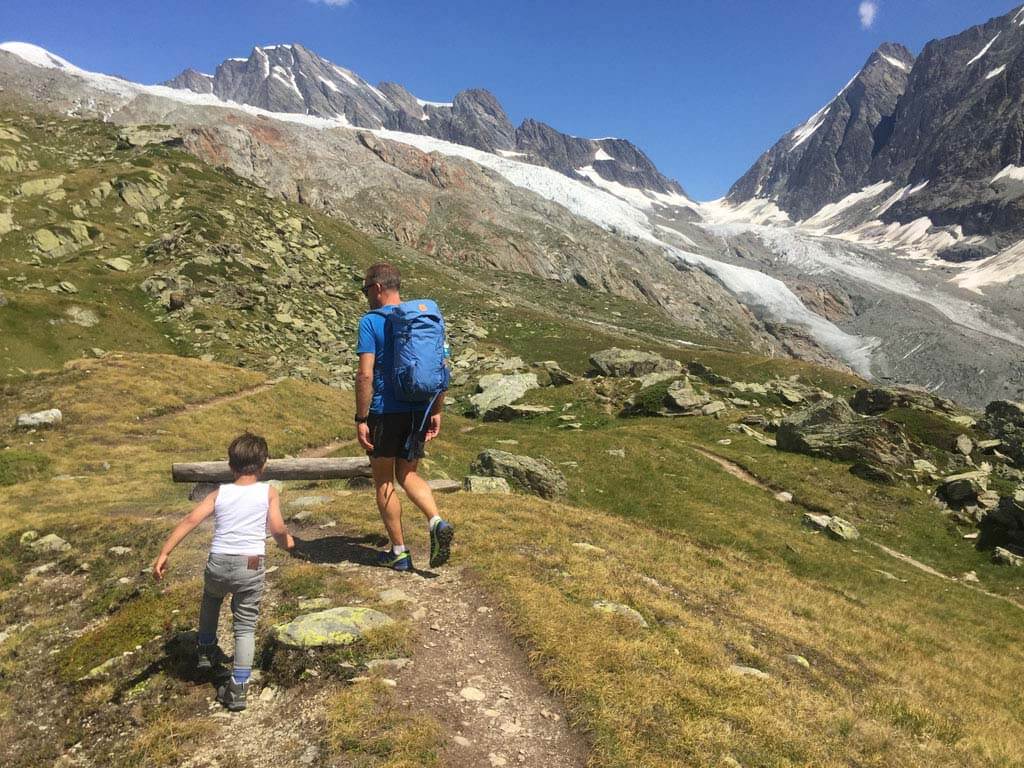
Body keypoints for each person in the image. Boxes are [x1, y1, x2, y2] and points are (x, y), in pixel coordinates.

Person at [152, 432, 294, 711]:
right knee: (245, 626)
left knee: (211, 600)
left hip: (218, 561)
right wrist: (288, 542)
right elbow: (277, 528)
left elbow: (191, 519)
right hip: (251, 563)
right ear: (264, 464)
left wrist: (165, 552)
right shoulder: (268, 492)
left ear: (231, 465)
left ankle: (205, 651)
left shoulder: (221, 492)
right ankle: (238, 687)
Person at [355, 262, 454, 571]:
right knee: (408, 474)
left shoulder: (370, 322)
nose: (365, 296)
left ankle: (399, 551)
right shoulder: (424, 320)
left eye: (365, 289)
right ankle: (436, 520)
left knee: (384, 481)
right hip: (418, 409)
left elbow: (364, 376)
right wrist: (436, 410)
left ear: (378, 288)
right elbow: (442, 369)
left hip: (385, 411)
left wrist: (361, 418)